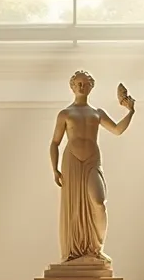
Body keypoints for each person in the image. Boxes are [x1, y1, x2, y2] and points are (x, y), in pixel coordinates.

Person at [48, 70, 136, 265]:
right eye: (78, 83)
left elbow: (117, 130)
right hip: (71, 161)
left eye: (85, 83)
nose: (81, 87)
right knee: (75, 208)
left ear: (91, 86)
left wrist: (130, 112)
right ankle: (75, 251)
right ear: (72, 86)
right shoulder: (65, 114)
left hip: (92, 160)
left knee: (98, 201)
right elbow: (54, 142)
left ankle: (97, 248)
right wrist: (55, 169)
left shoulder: (97, 113)